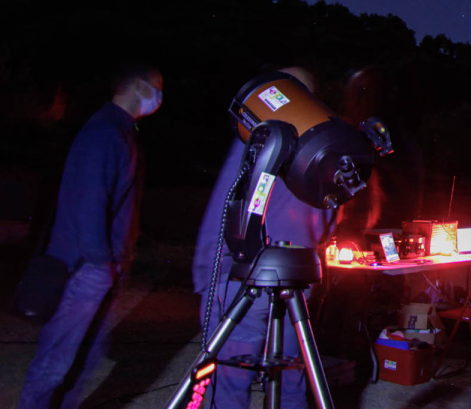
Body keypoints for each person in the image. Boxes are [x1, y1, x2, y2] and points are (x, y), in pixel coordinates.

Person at [18, 63, 163, 409]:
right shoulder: (105, 133)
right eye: (158, 88)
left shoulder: (120, 131)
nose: (160, 97)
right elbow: (88, 204)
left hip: (101, 267)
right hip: (85, 268)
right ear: (138, 88)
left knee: (81, 361)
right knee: (55, 363)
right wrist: (100, 261)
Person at [192, 66, 335, 409]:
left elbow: (226, 207)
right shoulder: (328, 149)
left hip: (247, 273)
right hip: (297, 276)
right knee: (292, 376)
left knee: (228, 378)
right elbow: (328, 222)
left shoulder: (261, 138)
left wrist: (204, 275)